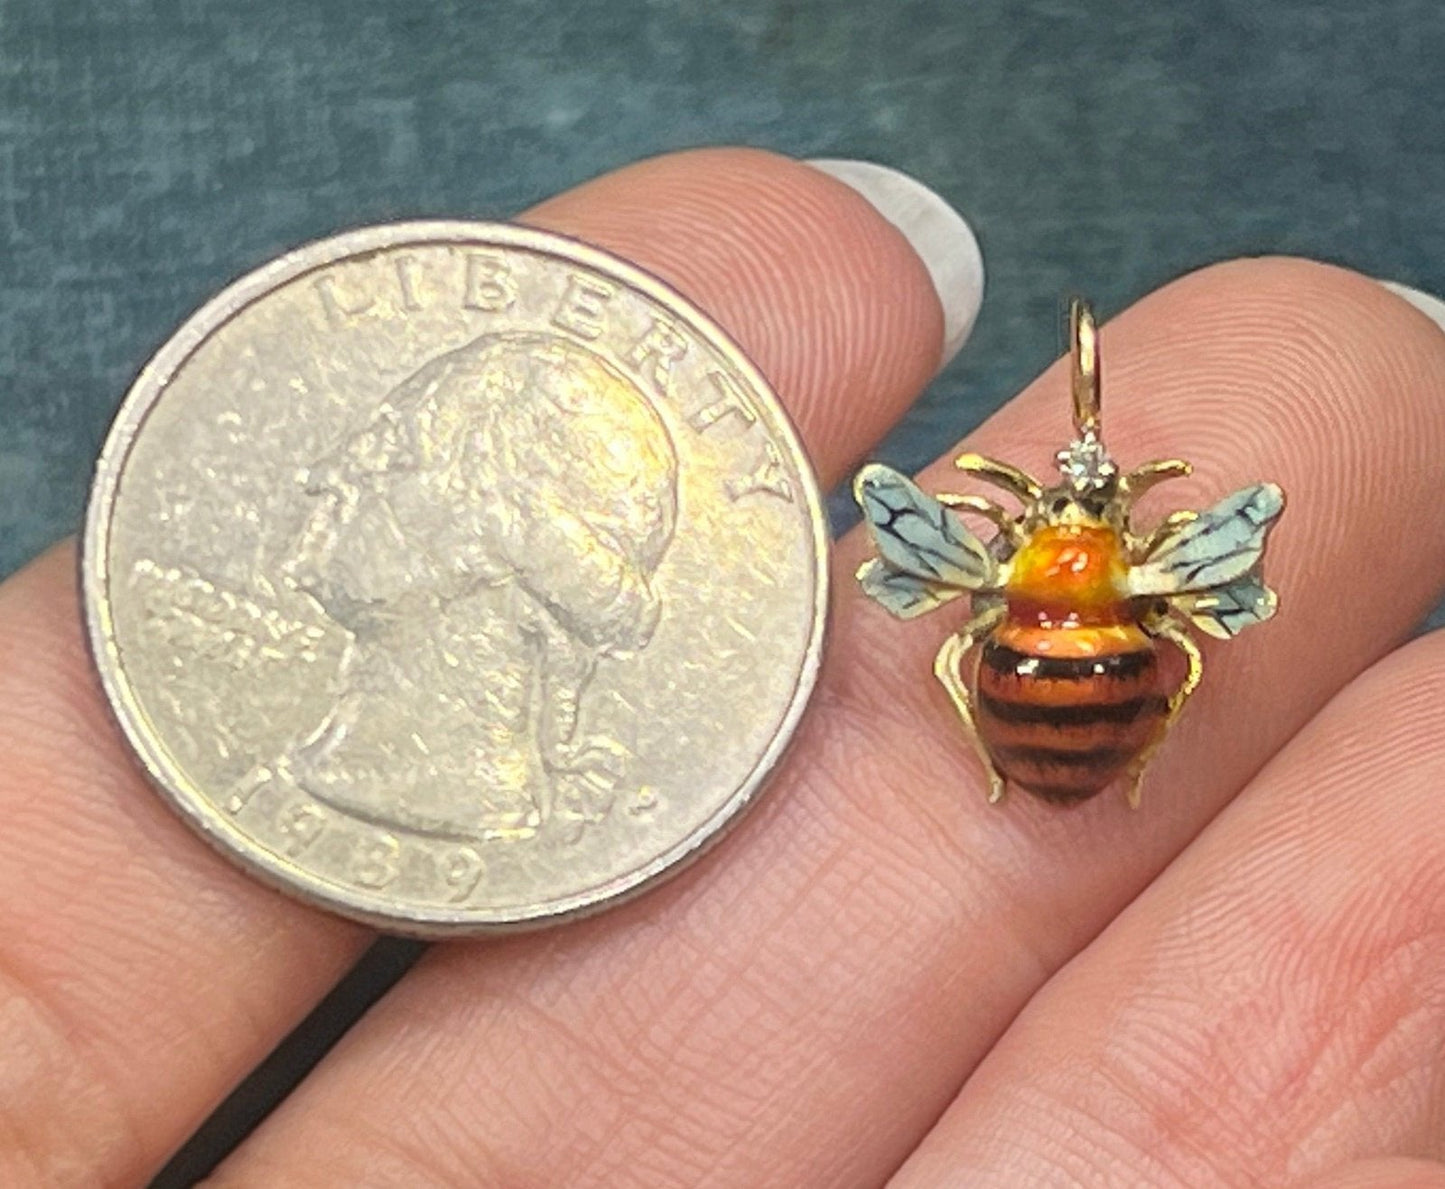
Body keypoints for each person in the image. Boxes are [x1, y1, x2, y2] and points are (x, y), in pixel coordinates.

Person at [4, 147, 1445, 1188]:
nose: (326, 480)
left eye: (378, 457)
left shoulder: (1000, 579)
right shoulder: (1127, 585)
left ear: (504, 528)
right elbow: (1170, 639)